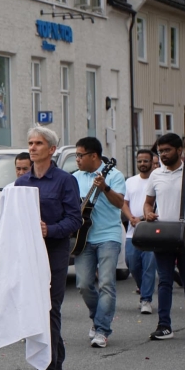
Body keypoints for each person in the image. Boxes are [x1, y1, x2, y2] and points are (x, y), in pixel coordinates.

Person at [15, 126, 81, 370]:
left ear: (52, 150)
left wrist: (49, 229)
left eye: (38, 143)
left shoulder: (65, 181)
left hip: (55, 249)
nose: (32, 147)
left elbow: (75, 219)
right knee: (36, 305)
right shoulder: (21, 183)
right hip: (30, 252)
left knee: (50, 305)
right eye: (30, 143)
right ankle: (57, 362)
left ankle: (49, 367)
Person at [143, 133, 185, 340]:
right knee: (164, 279)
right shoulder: (156, 175)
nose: (162, 154)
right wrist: (147, 213)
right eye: (160, 151)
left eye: (166, 150)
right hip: (162, 234)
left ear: (179, 150)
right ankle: (164, 325)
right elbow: (147, 203)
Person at [72, 137, 126, 348]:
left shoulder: (114, 174)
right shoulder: (74, 178)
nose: (77, 159)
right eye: (76, 155)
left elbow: (120, 203)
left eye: (79, 155)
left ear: (93, 156)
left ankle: (102, 329)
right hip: (82, 237)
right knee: (84, 284)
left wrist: (105, 188)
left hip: (108, 236)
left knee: (106, 283)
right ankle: (98, 317)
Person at [122, 149, 158, 315]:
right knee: (132, 264)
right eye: (140, 161)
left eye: (145, 161)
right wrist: (131, 218)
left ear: (152, 162)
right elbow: (124, 203)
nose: (142, 164)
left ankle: (146, 299)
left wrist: (144, 219)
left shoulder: (157, 180)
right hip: (132, 231)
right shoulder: (130, 181)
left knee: (149, 266)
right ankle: (143, 289)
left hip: (152, 230)